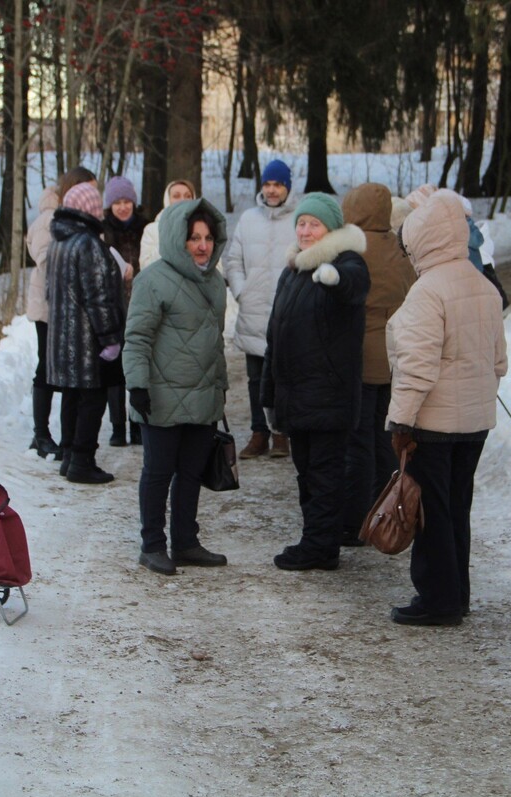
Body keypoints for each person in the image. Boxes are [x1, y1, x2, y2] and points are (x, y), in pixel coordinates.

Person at [385, 189, 508, 625]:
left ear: (421, 240)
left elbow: (415, 369)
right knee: (456, 508)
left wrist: (400, 422)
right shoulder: (485, 287)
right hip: (475, 424)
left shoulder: (427, 292)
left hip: (434, 425)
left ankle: (438, 600)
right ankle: (457, 594)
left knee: (431, 513)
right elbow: (499, 362)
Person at [262, 193, 369, 571]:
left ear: (331, 229)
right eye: (302, 224)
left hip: (327, 395)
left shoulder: (346, 261)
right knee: (307, 474)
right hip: (297, 396)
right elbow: (275, 336)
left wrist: (335, 278)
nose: (306, 231)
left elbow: (355, 284)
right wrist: (269, 394)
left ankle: (319, 546)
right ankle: (318, 541)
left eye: (315, 224)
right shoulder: (293, 271)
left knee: (324, 475)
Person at [124, 199, 230, 576]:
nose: (202, 245)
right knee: (158, 471)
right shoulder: (152, 280)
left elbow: (215, 341)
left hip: (202, 396)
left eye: (207, 238)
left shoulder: (215, 281)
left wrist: (220, 385)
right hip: (161, 395)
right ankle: (152, 545)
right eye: (193, 238)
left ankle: (185, 542)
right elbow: (137, 338)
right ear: (176, 239)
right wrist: (137, 385)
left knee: (191, 473)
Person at [338, 183, 416, 546]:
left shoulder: (352, 250)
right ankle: (382, 512)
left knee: (357, 444)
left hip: (359, 359)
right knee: (384, 441)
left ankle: (353, 521)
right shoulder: (401, 250)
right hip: (393, 357)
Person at [45, 182, 127, 485]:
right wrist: (110, 337)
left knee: (71, 397)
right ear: (91, 209)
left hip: (63, 340)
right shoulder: (88, 244)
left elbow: (50, 292)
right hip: (87, 343)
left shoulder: (58, 243)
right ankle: (82, 460)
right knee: (92, 400)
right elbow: (99, 297)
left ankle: (69, 456)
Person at [225, 159, 298, 460]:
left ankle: (281, 434)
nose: (271, 190)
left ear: (287, 187)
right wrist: (242, 290)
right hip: (253, 311)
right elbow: (233, 261)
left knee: (284, 376)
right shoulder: (248, 219)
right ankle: (259, 433)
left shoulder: (299, 220)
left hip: (286, 315)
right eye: (267, 184)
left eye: (277, 184)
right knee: (255, 379)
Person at [24, 166, 96, 460]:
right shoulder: (49, 219)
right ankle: (40, 434)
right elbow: (46, 261)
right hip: (49, 307)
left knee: (66, 371)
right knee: (47, 367)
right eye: (90, 188)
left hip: (67, 306)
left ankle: (66, 437)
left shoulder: (72, 218)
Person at [99, 175, 150, 448]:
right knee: (115, 372)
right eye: (117, 202)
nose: (122, 207)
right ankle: (118, 426)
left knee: (138, 367)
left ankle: (138, 423)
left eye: (126, 201)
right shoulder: (103, 231)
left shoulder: (145, 228)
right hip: (114, 306)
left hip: (141, 304)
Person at [138, 179, 197, 270]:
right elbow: (145, 267)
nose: (182, 200)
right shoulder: (152, 230)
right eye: (176, 196)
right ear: (167, 200)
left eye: (188, 196)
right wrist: (171, 238)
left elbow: (216, 267)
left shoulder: (203, 228)